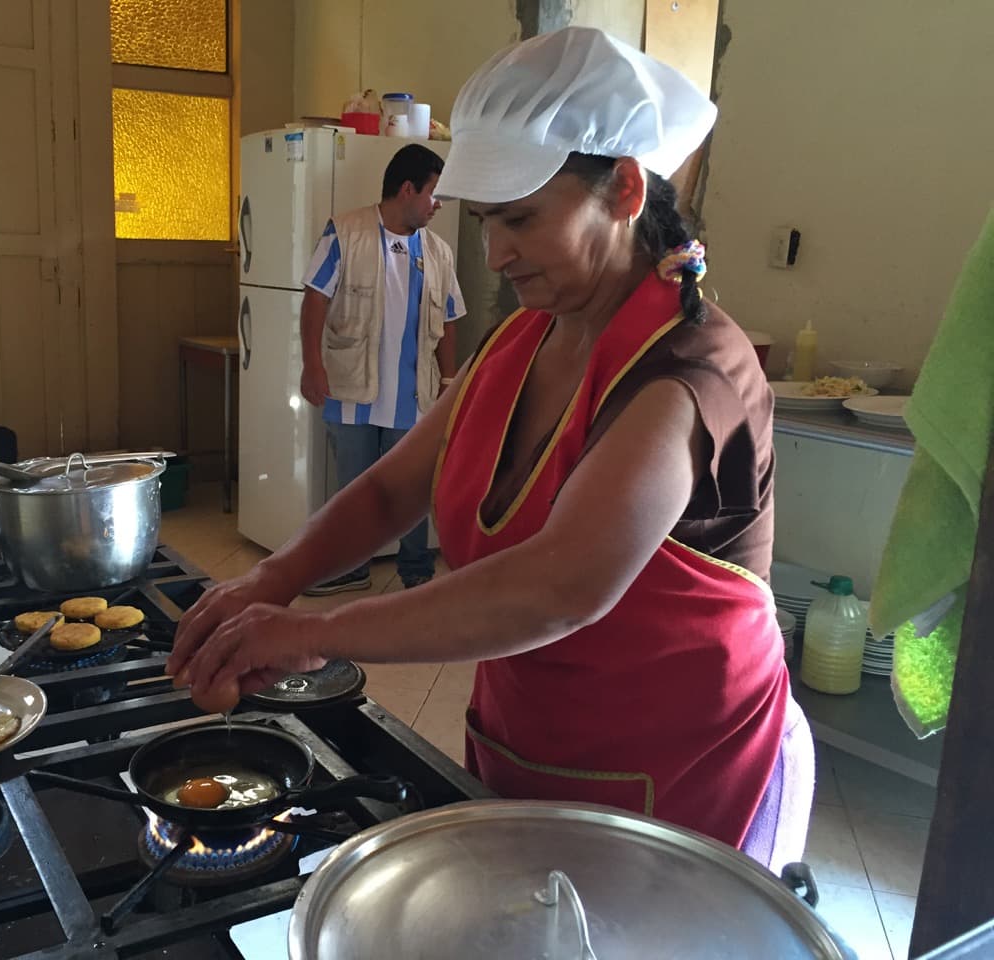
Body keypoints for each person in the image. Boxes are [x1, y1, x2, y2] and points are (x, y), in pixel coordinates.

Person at [170, 27, 813, 872]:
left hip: (682, 772)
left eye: (520, 218)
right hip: (529, 743)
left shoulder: (688, 373)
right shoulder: (523, 339)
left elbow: (557, 589)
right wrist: (270, 579)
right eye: (482, 222)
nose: (496, 252)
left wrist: (316, 632)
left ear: (623, 189)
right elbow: (388, 492)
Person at [299, 144, 465, 594]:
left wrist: (449, 381)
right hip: (349, 385)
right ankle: (350, 568)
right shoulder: (345, 231)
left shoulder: (438, 252)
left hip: (414, 395)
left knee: (411, 487)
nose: (438, 205)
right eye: (434, 194)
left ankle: (416, 571)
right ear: (407, 189)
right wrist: (312, 364)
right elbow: (316, 297)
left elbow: (449, 319)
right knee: (353, 490)